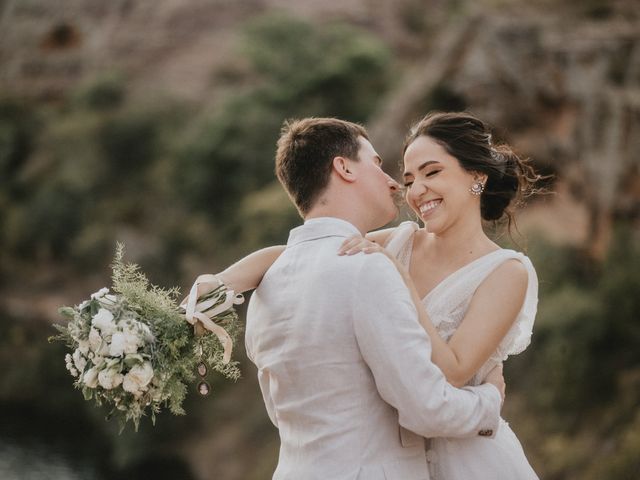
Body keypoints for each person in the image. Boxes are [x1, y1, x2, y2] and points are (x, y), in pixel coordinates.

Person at [195, 117, 505, 479]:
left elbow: (281, 415)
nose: (392, 183)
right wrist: (489, 401)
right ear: (343, 168)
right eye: (376, 163)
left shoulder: (267, 284)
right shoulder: (368, 267)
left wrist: (217, 282)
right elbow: (427, 409)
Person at [338, 111, 540, 479]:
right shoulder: (396, 242)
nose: (416, 192)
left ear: (476, 178)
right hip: (388, 460)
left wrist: (399, 277)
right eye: (409, 179)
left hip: (471, 463)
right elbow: (311, 253)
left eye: (432, 173)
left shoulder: (506, 272)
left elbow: (454, 372)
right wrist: (226, 279)